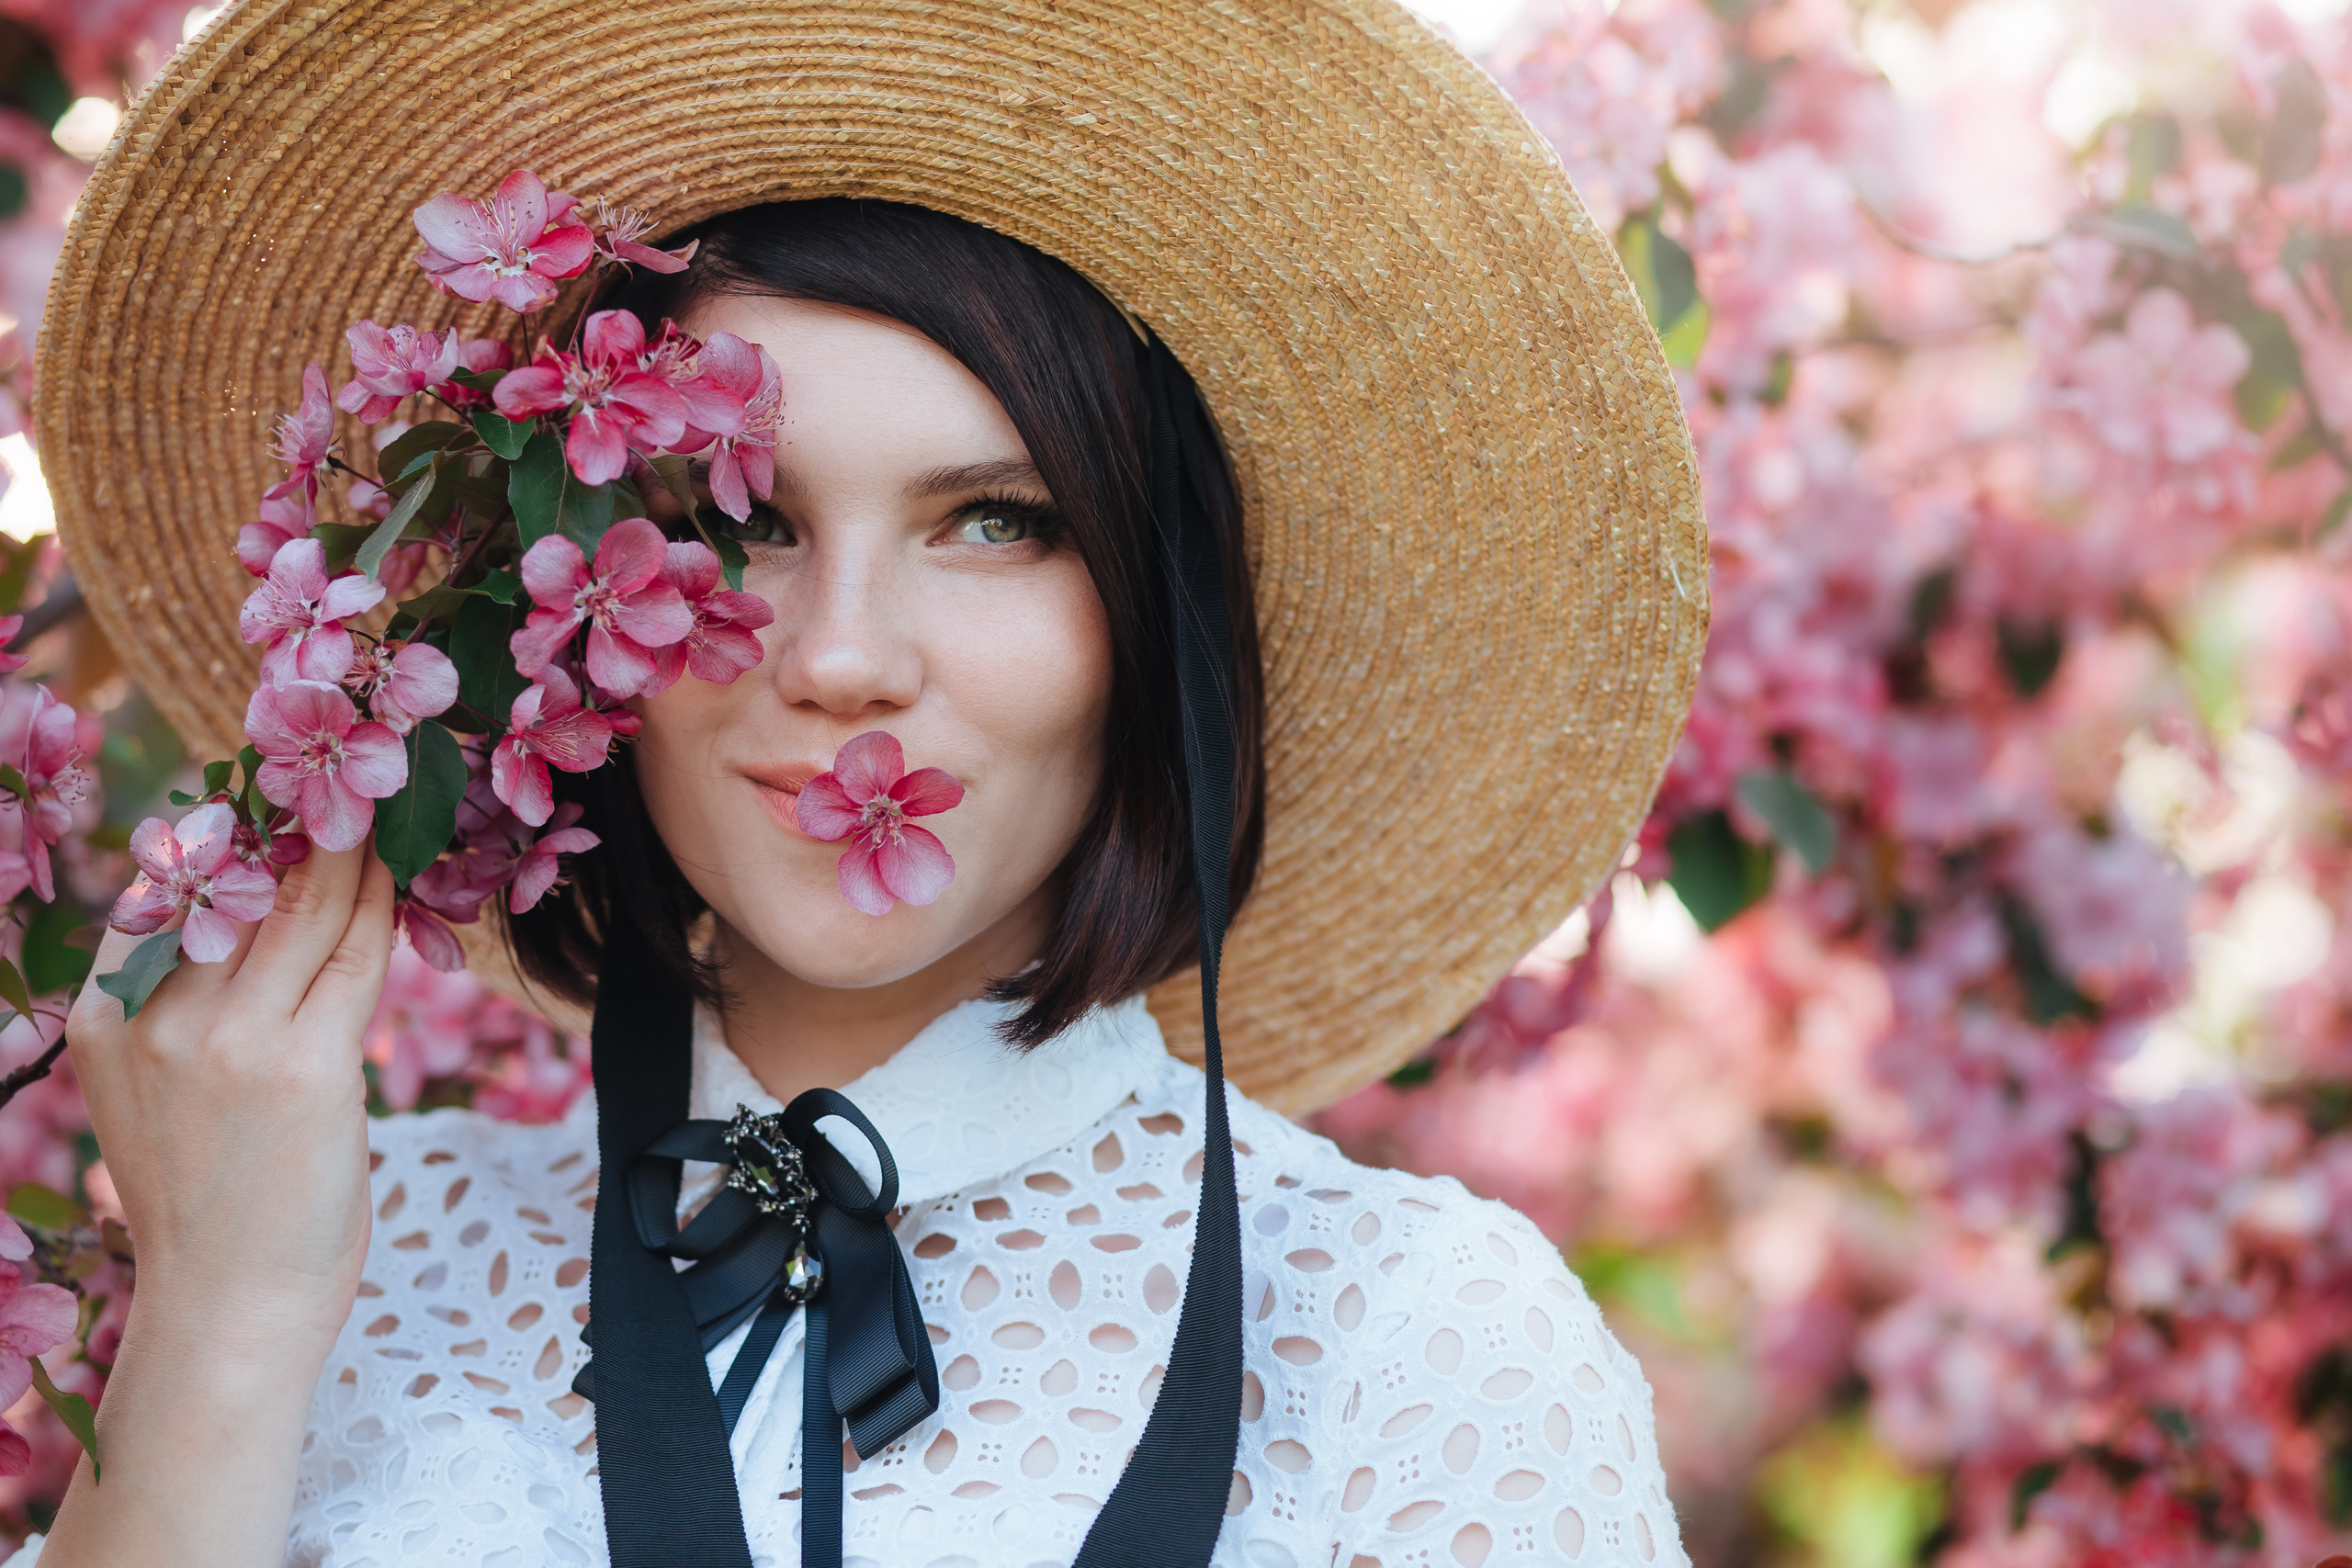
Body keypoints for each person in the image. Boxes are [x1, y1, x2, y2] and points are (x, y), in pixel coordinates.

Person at [18, 2, 1709, 1565]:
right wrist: (222, 1317)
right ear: (556, 633)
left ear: (1154, 620)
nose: (841, 657)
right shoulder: (374, 1274)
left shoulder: (1413, 1347)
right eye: (736, 525)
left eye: (996, 521)